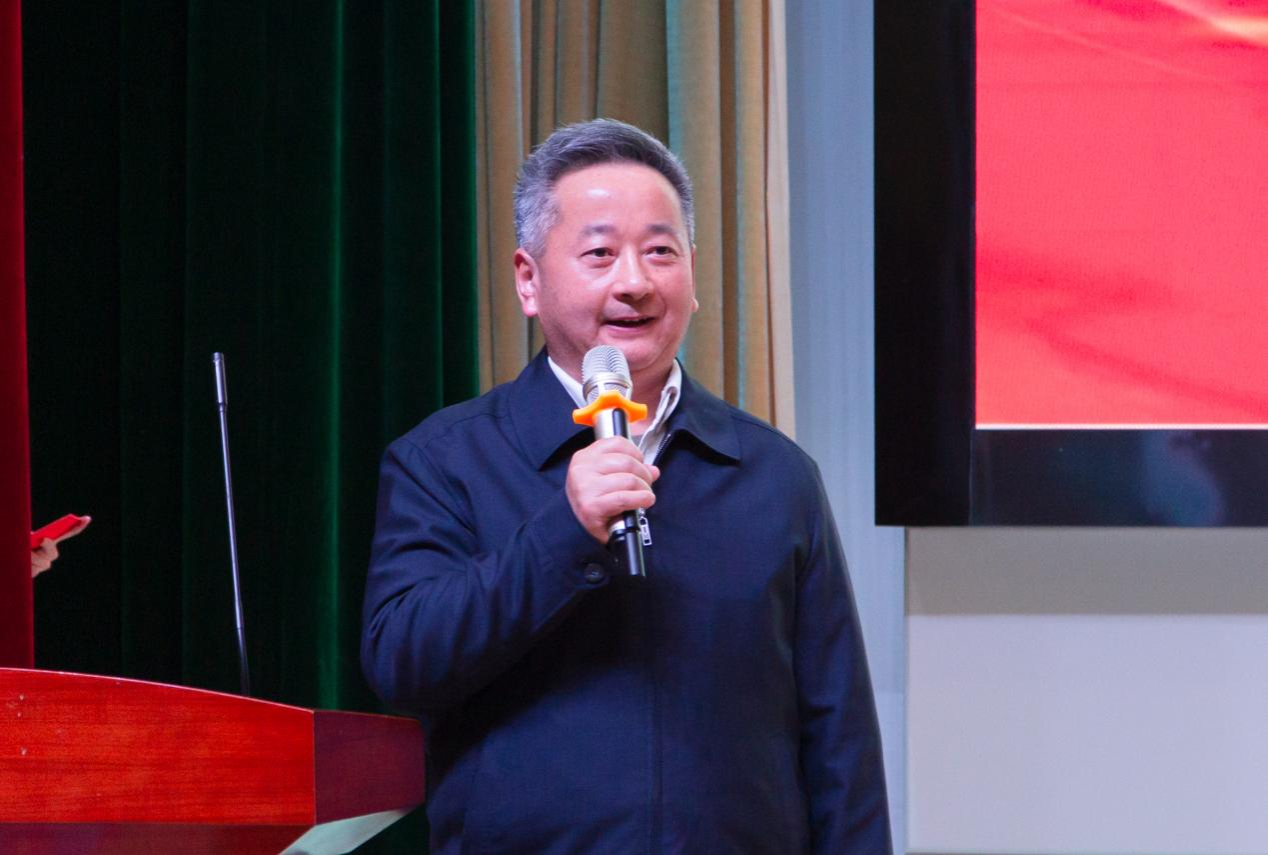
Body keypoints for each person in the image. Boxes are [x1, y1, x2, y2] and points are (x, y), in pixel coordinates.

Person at [361, 119, 890, 853]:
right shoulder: (446, 460)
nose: (635, 282)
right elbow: (403, 662)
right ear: (528, 280)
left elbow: (840, 738)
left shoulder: (774, 474)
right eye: (600, 253)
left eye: (660, 251)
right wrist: (564, 530)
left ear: (692, 276)